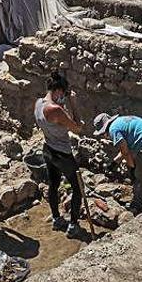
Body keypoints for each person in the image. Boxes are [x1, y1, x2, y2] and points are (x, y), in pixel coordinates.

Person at [35, 72, 88, 238]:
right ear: (58, 91)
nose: (64, 97)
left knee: (54, 184)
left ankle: (57, 218)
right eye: (64, 94)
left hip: (48, 148)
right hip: (62, 154)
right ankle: (73, 225)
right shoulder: (55, 110)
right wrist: (73, 103)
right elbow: (78, 127)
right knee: (78, 188)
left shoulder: (38, 104)